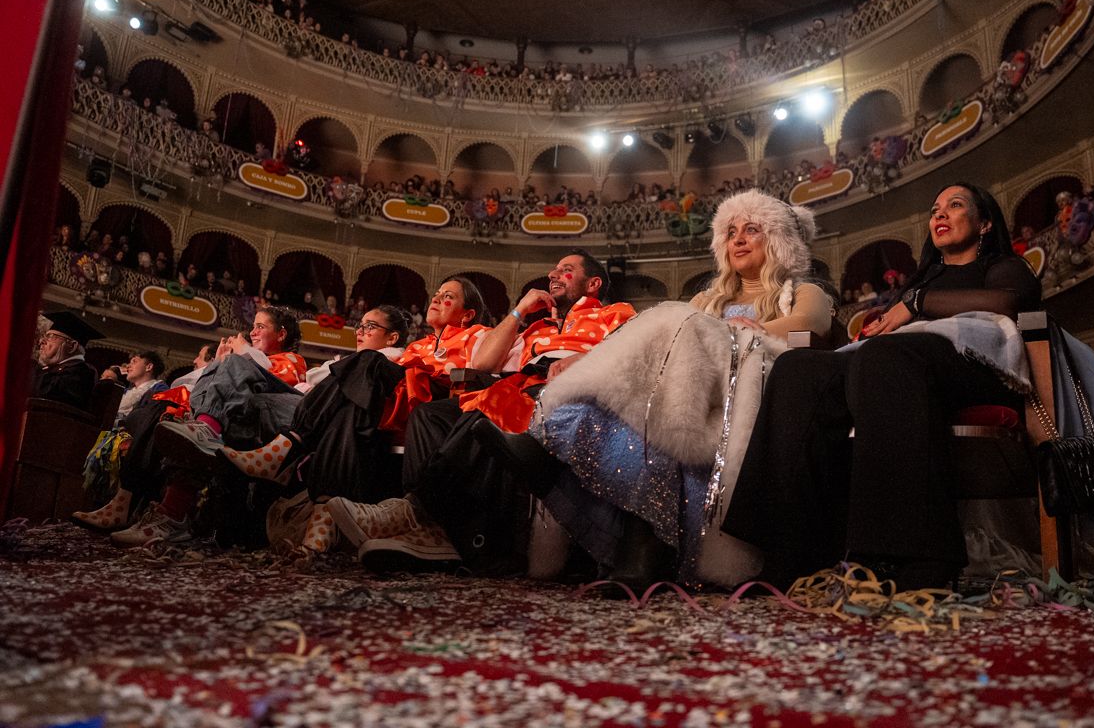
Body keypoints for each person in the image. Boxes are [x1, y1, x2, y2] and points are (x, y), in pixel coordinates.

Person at [479, 190, 832, 588]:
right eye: (731, 232)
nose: (738, 239)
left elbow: (811, 325)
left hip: (748, 384)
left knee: (674, 322)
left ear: (780, 240)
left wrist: (752, 330)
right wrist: (592, 358)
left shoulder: (802, 292)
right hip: (690, 390)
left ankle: (556, 460)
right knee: (636, 398)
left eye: (752, 229)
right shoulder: (706, 298)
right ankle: (623, 532)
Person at [721, 182, 1044, 592]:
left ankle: (913, 557)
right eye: (935, 209)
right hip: (897, 366)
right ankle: (791, 554)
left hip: (975, 364)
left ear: (984, 224)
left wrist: (917, 304)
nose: (940, 214)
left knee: (884, 356)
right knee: (797, 368)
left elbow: (1011, 304)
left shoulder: (1001, 266)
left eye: (955, 205)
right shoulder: (923, 279)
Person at [330, 251, 635, 572]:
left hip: (572, 388)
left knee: (492, 403)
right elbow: (483, 363)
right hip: (519, 386)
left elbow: (637, 348)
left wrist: (586, 359)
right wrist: (520, 309)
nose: (552, 274)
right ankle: (437, 531)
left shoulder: (613, 313)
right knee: (430, 415)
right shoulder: (537, 327)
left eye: (566, 269)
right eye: (554, 269)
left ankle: (417, 514)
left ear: (593, 283)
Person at [218, 281, 491, 554]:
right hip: (391, 400)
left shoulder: (477, 335)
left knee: (366, 363)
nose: (436, 299)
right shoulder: (420, 344)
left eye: (447, 296)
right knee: (346, 415)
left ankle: (287, 447)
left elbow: (483, 367)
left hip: (428, 402)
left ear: (467, 314)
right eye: (437, 294)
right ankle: (322, 523)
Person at [105, 310, 306, 546]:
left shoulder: (293, 360)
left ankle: (171, 511)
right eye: (253, 326)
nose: (252, 332)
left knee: (230, 368)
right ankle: (168, 510)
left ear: (281, 334)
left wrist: (240, 355)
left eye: (261, 327)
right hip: (239, 413)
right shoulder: (246, 359)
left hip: (274, 412)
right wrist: (219, 364)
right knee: (195, 416)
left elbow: (266, 385)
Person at [71, 344, 214, 532]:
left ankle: (126, 505)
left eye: (135, 361)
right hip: (142, 425)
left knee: (155, 414)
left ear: (149, 367)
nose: (194, 360)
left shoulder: (160, 387)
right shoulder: (129, 391)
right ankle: (120, 504)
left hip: (183, 425)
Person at [32, 311, 102, 410]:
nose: (41, 341)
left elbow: (46, 393)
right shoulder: (53, 369)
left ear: (72, 346)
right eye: (45, 337)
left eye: (50, 337)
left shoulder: (82, 372)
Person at [115, 350, 167, 421]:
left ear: (149, 367)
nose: (128, 366)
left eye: (134, 362)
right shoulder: (124, 392)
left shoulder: (159, 391)